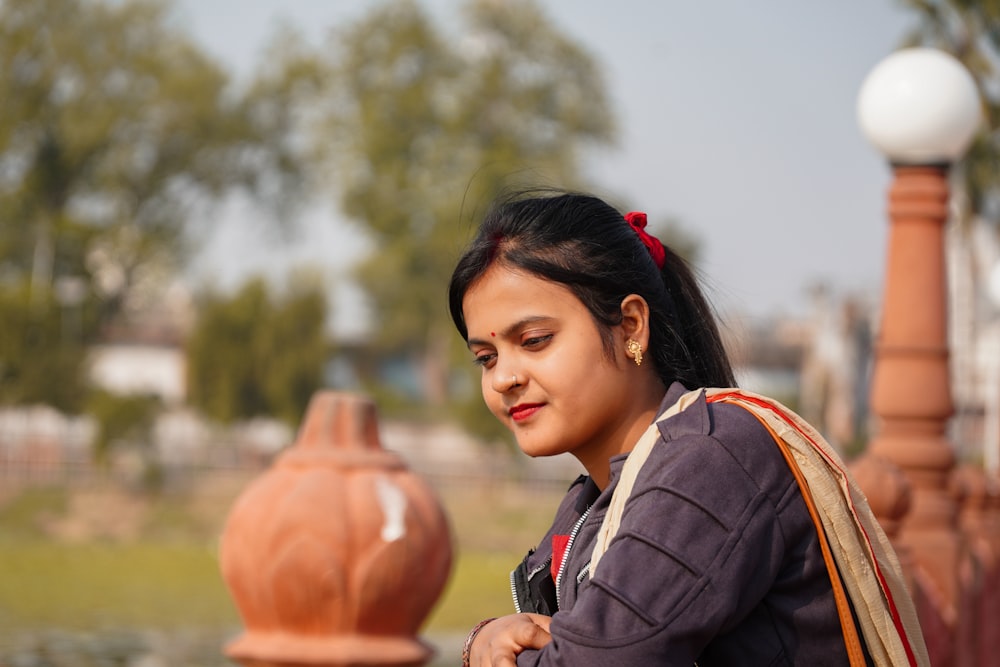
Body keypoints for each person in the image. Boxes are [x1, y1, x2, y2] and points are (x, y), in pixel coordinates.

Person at [447, 190, 929, 667]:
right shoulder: (590, 501)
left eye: (534, 340)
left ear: (631, 325)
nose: (505, 378)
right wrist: (488, 638)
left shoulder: (710, 457)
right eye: (486, 359)